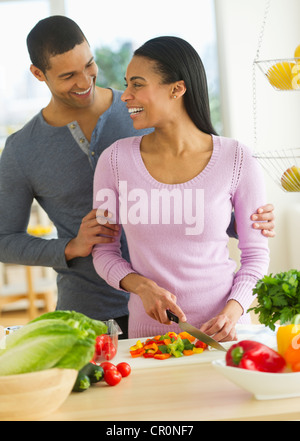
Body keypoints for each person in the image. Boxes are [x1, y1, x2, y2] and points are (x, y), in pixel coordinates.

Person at [0, 17, 274, 340]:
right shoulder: (24, 149)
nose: (85, 80)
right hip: (90, 308)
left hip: (192, 313)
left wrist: (243, 220)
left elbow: (194, 197)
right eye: (68, 75)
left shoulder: (141, 111)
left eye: (89, 65)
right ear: (38, 74)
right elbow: (5, 240)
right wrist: (71, 247)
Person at [92, 36, 270, 341]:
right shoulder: (115, 160)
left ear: (177, 88)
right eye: (127, 84)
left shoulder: (237, 159)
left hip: (222, 337)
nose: (126, 95)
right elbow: (103, 252)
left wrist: (233, 311)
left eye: (137, 84)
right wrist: (141, 286)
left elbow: (255, 255)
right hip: (148, 341)